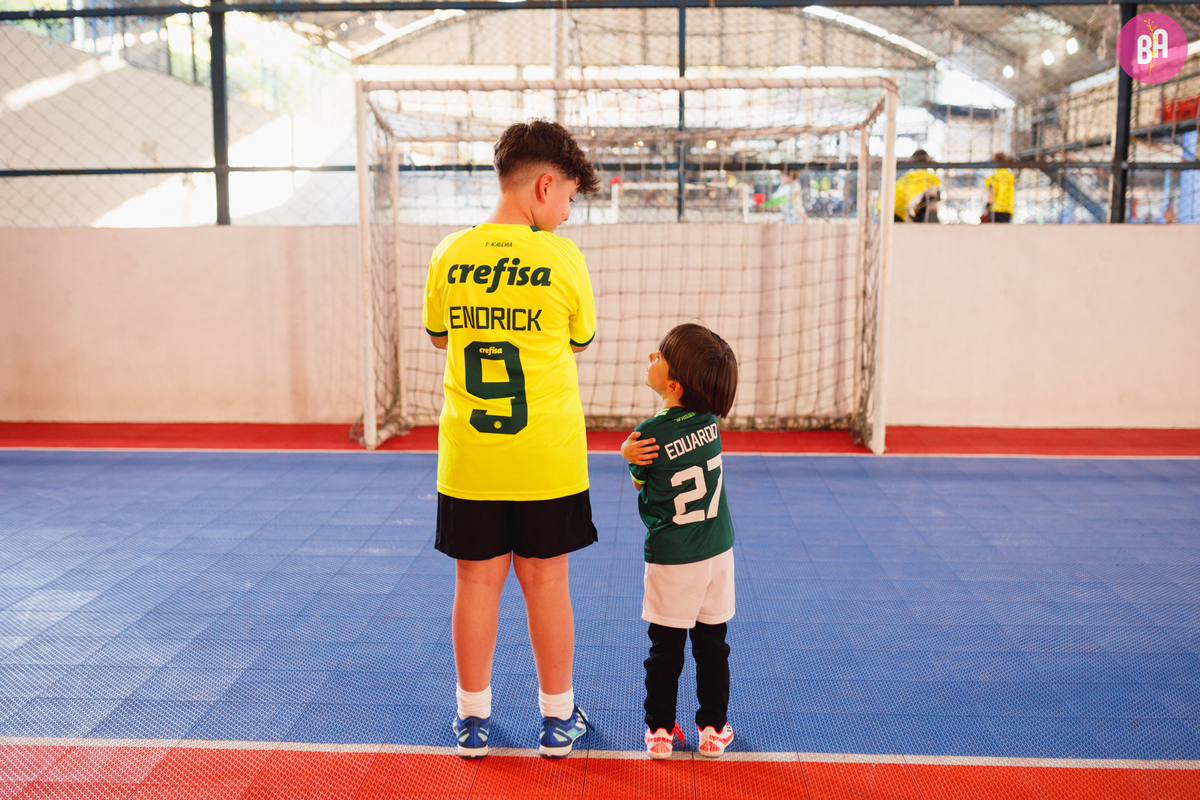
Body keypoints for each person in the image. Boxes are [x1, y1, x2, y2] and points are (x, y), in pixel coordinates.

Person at [422, 119, 600, 759]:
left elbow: (443, 338)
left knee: (475, 582)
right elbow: (576, 341)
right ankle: (557, 720)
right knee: (547, 583)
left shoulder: (449, 252)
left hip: (470, 458)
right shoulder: (562, 259)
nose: (569, 214)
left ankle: (473, 721)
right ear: (545, 185)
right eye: (570, 199)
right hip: (546, 459)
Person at [619, 323, 739, 760]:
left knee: (665, 648)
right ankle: (713, 729)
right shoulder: (711, 422)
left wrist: (626, 456)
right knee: (713, 645)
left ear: (673, 384)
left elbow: (640, 484)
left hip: (674, 558)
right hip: (717, 554)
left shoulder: (648, 434)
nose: (652, 356)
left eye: (659, 356)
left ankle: (659, 731)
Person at [894, 149, 941, 223]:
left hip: (894, 212)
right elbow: (932, 199)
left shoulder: (905, 177)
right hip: (907, 213)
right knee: (931, 201)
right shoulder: (931, 178)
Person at [983, 152, 1015, 223]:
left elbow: (991, 192)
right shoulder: (1010, 176)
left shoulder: (993, 177)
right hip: (1008, 209)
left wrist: (987, 207)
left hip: (995, 209)